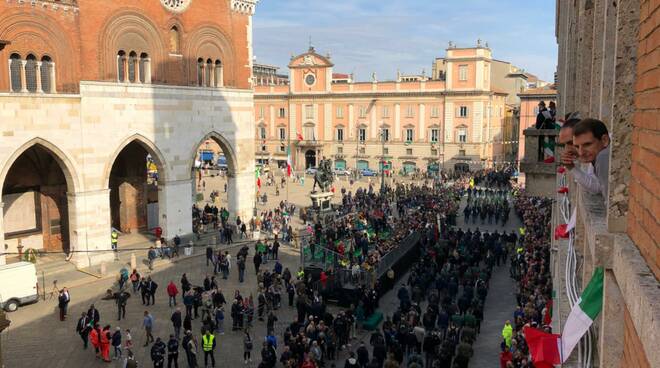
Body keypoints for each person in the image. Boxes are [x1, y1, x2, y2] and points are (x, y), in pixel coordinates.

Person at [571, 118, 611, 201]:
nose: (581, 153)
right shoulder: (599, 154)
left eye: (587, 144)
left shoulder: (602, 157)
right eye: (577, 147)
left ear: (604, 140)